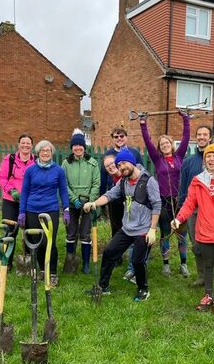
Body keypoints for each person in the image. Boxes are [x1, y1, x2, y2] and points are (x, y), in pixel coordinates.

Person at [83, 148, 161, 301]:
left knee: (138, 260)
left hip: (144, 229)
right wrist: (94, 203)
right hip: (127, 228)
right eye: (119, 166)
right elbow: (110, 195)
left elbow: (157, 205)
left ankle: (143, 289)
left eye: (124, 163)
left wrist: (152, 230)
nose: (121, 167)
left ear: (131, 162)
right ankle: (103, 286)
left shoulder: (148, 181)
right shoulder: (123, 182)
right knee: (109, 252)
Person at [172, 144, 214, 314]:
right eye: (208, 156)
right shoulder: (198, 181)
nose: (211, 159)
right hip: (206, 229)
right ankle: (208, 295)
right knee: (208, 264)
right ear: (205, 160)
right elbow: (189, 203)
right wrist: (179, 218)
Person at [140, 112, 190, 278]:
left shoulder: (179, 156)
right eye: (161, 144)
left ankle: (183, 264)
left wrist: (185, 119)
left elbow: (186, 137)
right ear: (159, 147)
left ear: (171, 144)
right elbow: (147, 142)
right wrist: (143, 124)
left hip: (180, 201)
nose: (164, 145)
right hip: (164, 202)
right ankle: (166, 264)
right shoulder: (157, 159)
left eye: (167, 142)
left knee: (182, 234)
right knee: (165, 234)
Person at [178, 125, 214, 286]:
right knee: (197, 245)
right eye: (199, 134)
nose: (201, 137)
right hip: (193, 211)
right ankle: (202, 276)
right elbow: (183, 186)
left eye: (205, 134)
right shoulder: (188, 162)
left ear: (209, 137)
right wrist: (181, 210)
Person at [18, 140, 70, 287]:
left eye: (48, 151)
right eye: (42, 151)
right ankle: (42, 270)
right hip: (32, 209)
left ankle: (52, 273)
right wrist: (22, 212)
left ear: (52, 153)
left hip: (50, 209)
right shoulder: (30, 170)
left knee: (49, 242)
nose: (45, 153)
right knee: (37, 242)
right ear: (38, 153)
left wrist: (66, 209)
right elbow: (25, 192)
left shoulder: (58, 170)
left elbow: (63, 191)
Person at [99, 126, 143, 274]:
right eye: (116, 137)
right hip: (114, 198)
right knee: (116, 226)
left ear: (126, 137)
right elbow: (103, 178)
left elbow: (141, 171)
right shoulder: (108, 155)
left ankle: (134, 257)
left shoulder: (134, 153)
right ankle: (117, 256)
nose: (119, 139)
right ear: (113, 139)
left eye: (122, 136)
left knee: (132, 225)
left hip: (132, 197)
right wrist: (102, 198)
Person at [61, 129, 100, 274]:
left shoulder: (92, 163)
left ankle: (85, 264)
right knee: (71, 233)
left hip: (88, 204)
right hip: (72, 204)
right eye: (75, 146)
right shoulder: (66, 163)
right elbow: (63, 184)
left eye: (80, 145)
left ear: (84, 147)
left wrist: (90, 200)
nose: (78, 148)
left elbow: (96, 184)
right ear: (72, 148)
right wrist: (73, 199)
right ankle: (70, 260)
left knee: (85, 234)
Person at [0, 133, 35, 271]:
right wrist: (11, 190)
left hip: (29, 202)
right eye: (23, 143)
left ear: (32, 146)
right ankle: (6, 262)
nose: (25, 145)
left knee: (31, 231)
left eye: (28, 143)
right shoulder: (10, 159)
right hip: (11, 200)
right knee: (10, 231)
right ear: (19, 145)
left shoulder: (35, 161)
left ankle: (31, 262)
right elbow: (1, 178)